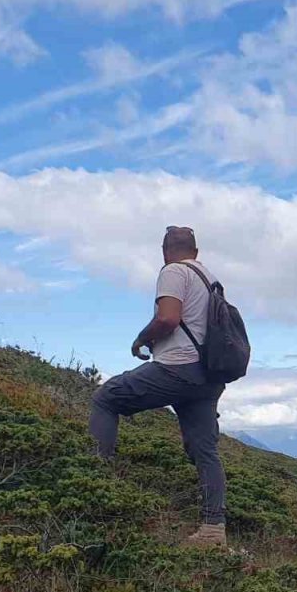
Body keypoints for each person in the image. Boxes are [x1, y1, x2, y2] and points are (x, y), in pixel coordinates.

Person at [89, 226, 230, 550]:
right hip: (208, 377)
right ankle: (213, 530)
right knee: (205, 451)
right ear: (195, 250)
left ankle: (94, 480)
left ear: (165, 250)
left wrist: (142, 338)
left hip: (177, 368)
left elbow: (168, 319)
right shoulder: (211, 280)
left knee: (106, 399)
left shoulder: (173, 271)